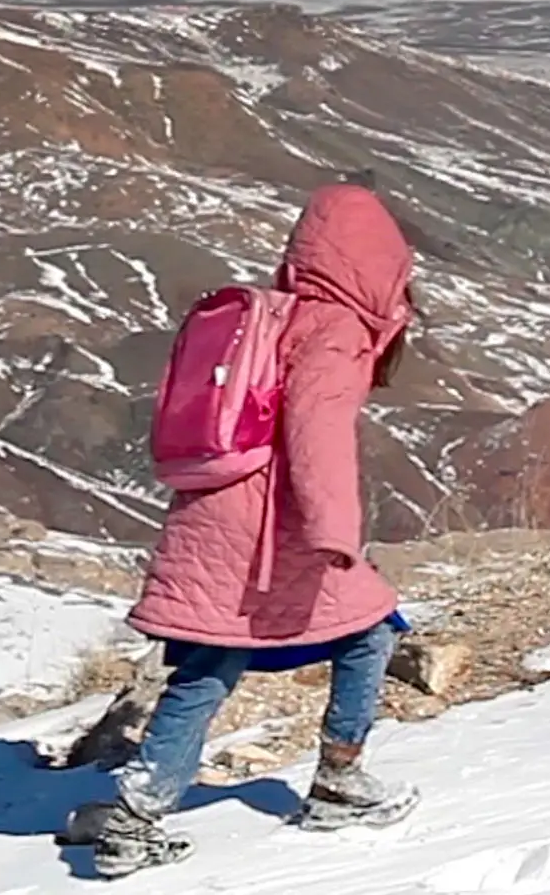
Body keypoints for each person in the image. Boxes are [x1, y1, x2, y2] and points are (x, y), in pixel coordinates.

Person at [93, 181, 422, 878]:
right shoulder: (334, 331)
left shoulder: (277, 315)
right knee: (371, 632)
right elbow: (318, 432)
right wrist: (337, 531)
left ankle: (134, 815)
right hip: (279, 529)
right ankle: (338, 780)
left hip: (216, 514)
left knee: (211, 663)